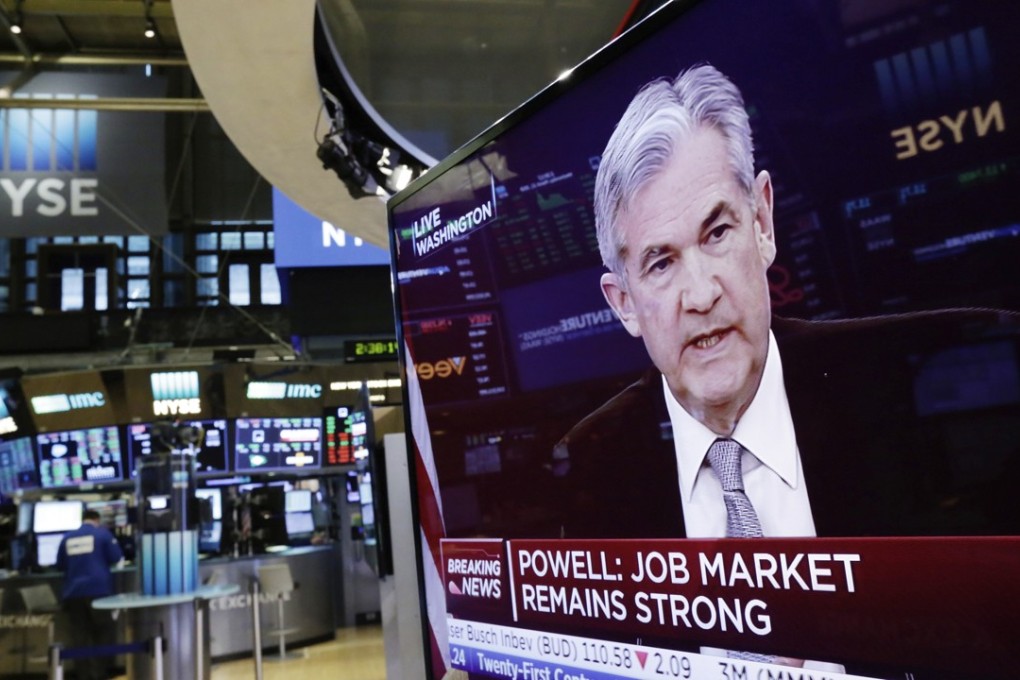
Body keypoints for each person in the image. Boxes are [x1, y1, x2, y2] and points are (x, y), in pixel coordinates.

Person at [552, 60, 1020, 678]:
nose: (700, 294)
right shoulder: (591, 466)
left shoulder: (936, 376)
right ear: (624, 304)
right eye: (661, 264)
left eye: (717, 232)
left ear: (763, 223)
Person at [56, 508, 124, 680]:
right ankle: (101, 674)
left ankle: (84, 675)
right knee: (103, 633)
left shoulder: (67, 537)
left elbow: (60, 565)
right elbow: (118, 559)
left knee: (79, 636)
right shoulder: (103, 535)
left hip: (73, 593)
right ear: (97, 520)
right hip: (99, 592)